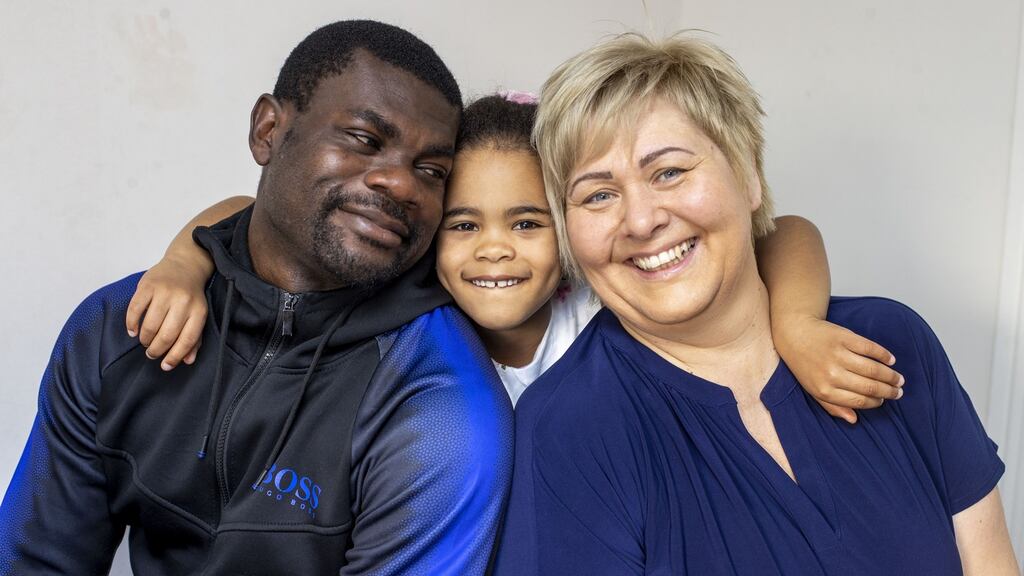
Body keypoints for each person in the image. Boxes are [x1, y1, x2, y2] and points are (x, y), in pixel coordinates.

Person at [0, 20, 512, 575]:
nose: (402, 185)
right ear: (267, 130)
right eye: (365, 140)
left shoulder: (440, 406)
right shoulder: (119, 327)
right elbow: (34, 560)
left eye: (431, 170)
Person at [494, 33, 1018, 575]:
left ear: (748, 175)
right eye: (599, 195)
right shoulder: (568, 431)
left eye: (669, 171)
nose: (642, 221)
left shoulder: (889, 343)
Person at [130, 94, 903, 416]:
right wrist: (181, 264)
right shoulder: (415, 304)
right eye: (463, 225)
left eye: (528, 223)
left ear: (570, 235)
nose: (494, 250)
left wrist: (797, 325)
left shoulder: (599, 303)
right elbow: (256, 216)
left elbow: (787, 231)